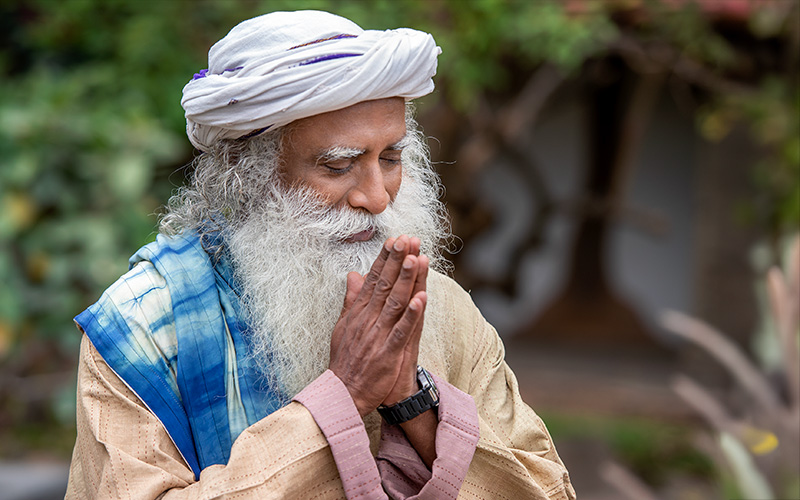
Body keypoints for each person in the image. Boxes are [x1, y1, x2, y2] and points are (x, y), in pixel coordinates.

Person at [66, 10, 575, 500]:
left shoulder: (437, 308)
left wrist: (413, 404)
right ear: (249, 175)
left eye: (391, 159)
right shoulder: (143, 328)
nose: (377, 198)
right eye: (337, 166)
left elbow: (547, 490)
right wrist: (343, 396)